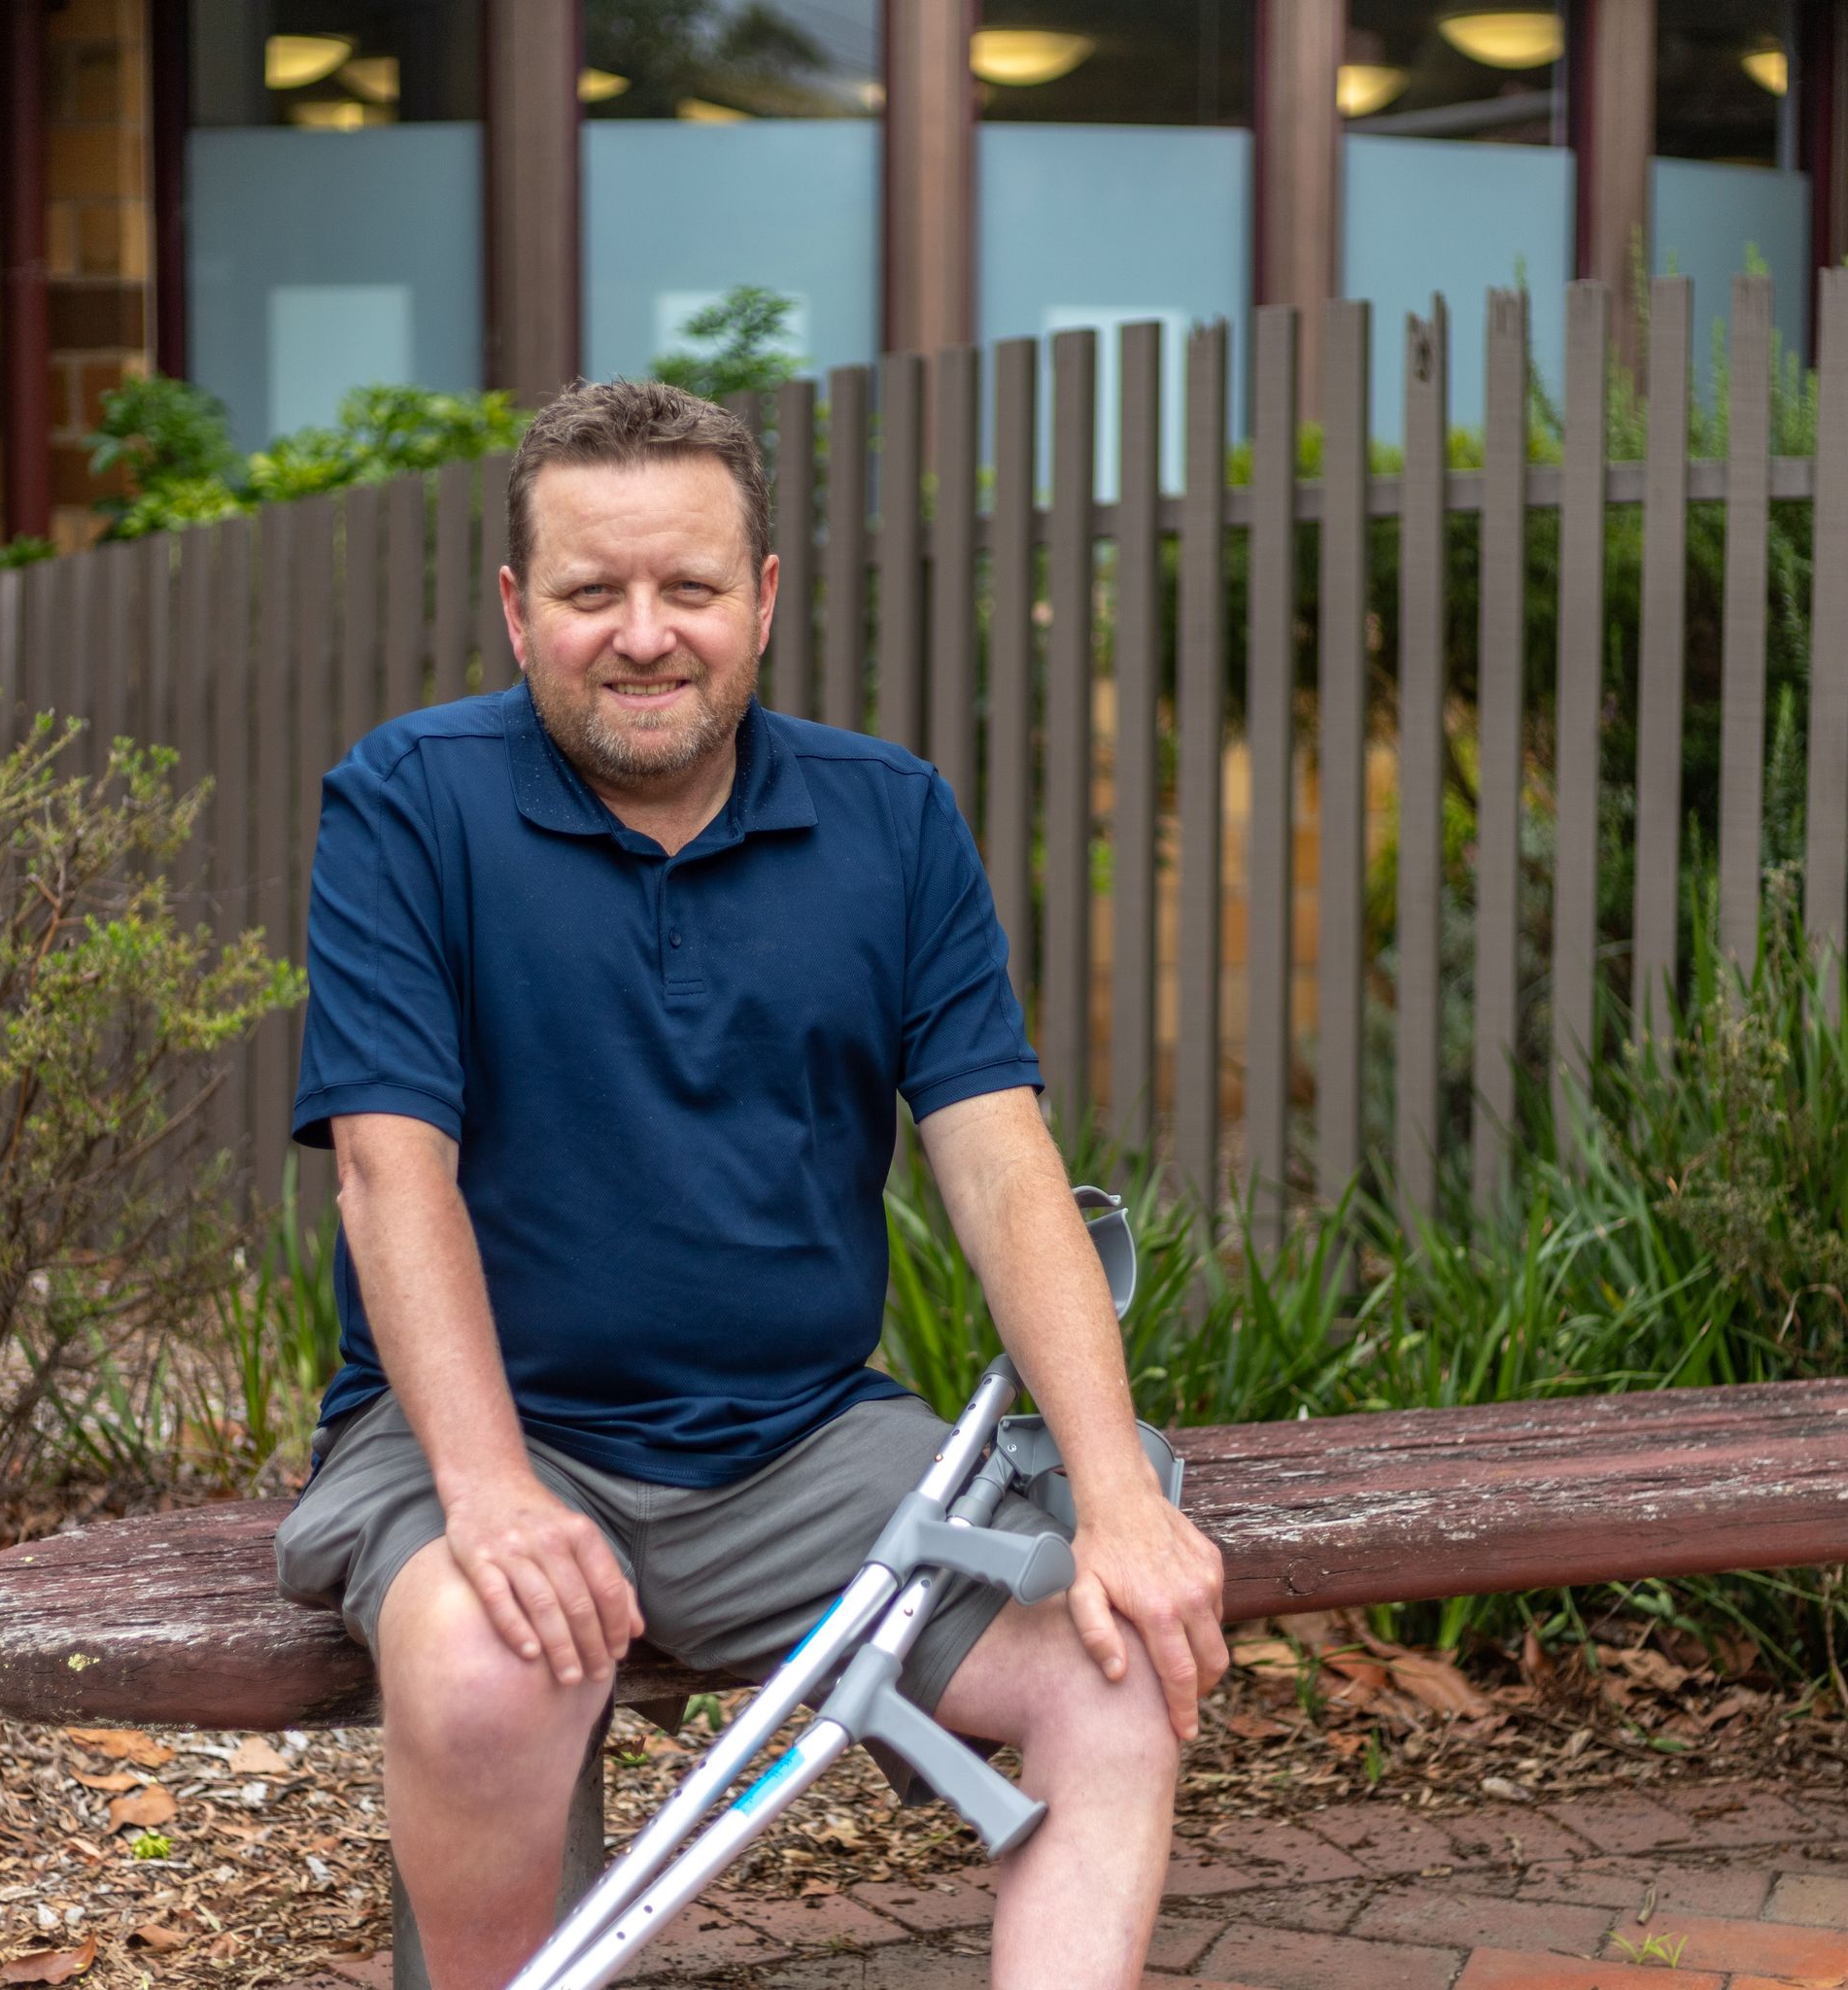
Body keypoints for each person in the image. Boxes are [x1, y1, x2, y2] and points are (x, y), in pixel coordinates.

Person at [273, 378, 1228, 1989]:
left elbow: (1002, 1167)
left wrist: (1120, 1501)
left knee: (1118, 1668)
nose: (644, 634)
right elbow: (388, 1171)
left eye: (690, 588)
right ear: (519, 610)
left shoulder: (891, 819)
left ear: (763, 599)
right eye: (592, 592)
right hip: (479, 1440)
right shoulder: (409, 804)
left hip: (802, 1450)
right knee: (487, 1661)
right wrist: (497, 1492)